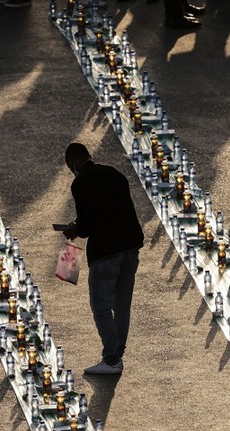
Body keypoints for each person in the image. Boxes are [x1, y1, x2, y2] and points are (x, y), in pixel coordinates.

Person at [63, 142, 144, 375]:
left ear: (72, 163)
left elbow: (87, 226)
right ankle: (118, 352)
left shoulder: (80, 183)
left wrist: (74, 228)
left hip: (105, 251)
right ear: (89, 155)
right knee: (122, 304)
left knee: (101, 306)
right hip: (130, 247)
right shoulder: (114, 173)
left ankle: (111, 359)